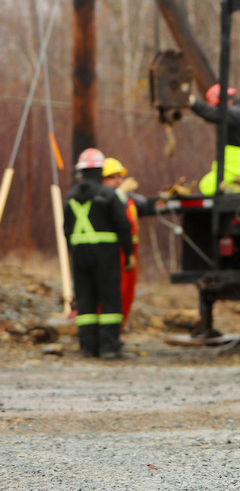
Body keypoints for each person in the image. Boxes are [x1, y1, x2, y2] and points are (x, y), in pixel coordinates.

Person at [64, 148, 135, 359]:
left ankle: (88, 347)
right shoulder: (108, 194)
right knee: (110, 299)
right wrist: (128, 252)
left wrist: (73, 251)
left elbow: (66, 229)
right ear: (100, 170)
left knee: (85, 299)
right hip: (106, 255)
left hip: (80, 255)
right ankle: (110, 347)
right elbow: (123, 225)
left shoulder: (71, 196)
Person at [190, 84, 240, 195]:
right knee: (212, 183)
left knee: (208, 185)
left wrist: (192, 102)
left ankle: (239, 190)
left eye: (216, 106)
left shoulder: (236, 113)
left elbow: (215, 114)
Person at [101, 157, 143, 329]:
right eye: (112, 177)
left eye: (119, 176)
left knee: (126, 294)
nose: (118, 181)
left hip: (128, 253)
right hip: (112, 253)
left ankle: (117, 330)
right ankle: (108, 332)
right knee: (112, 294)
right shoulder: (105, 199)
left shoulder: (128, 200)